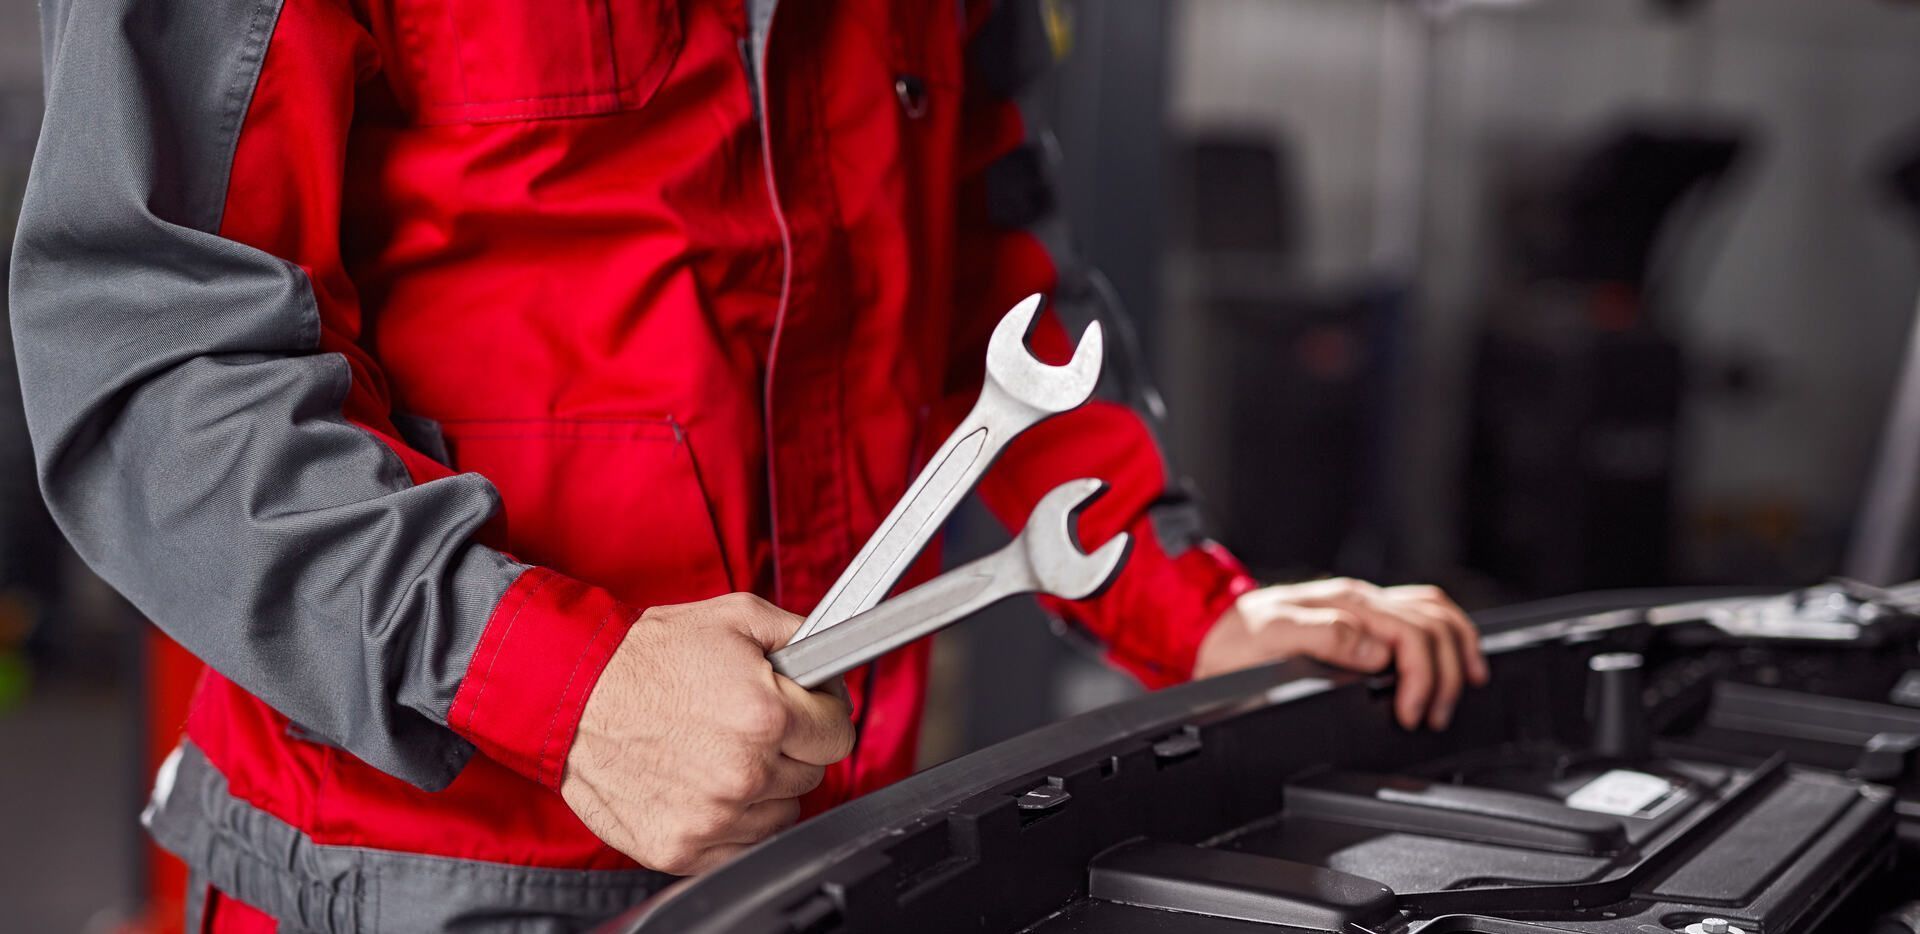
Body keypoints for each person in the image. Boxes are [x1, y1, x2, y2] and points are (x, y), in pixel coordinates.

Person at [9, 0, 1486, 930]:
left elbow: (990, 260)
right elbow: (158, 362)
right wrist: (552, 677)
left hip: (836, 843)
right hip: (408, 875)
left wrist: (1193, 605)